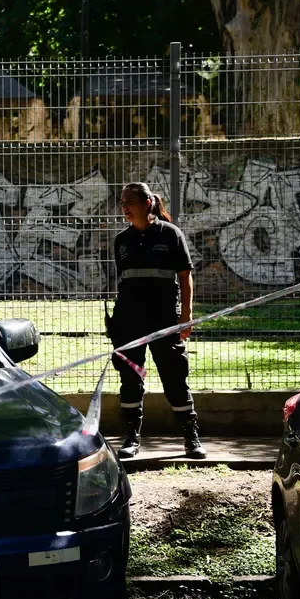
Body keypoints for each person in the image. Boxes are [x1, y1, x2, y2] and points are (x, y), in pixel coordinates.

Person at [107, 182, 205, 459]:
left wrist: (186, 316)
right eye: (122, 202)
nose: (124, 207)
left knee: (174, 377)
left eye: (130, 201)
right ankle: (131, 437)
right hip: (128, 321)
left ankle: (191, 437)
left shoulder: (170, 234)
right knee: (130, 379)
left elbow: (185, 277)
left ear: (147, 203)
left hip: (164, 320)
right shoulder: (122, 240)